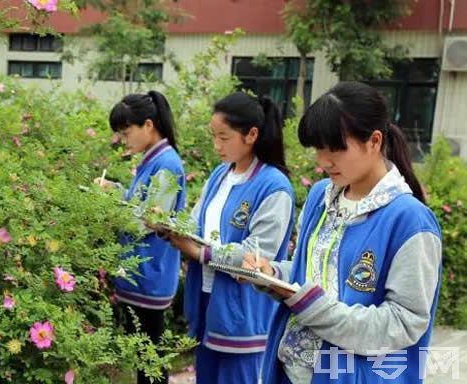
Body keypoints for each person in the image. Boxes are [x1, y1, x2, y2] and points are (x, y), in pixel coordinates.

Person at [243, 81, 442, 384]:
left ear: (374, 141)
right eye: (318, 149)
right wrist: (272, 274)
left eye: (335, 149)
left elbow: (404, 323)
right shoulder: (321, 197)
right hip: (291, 371)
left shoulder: (409, 221)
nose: (323, 162)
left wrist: (310, 305)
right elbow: (307, 274)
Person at [167, 92, 295, 384]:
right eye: (214, 136)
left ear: (251, 135)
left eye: (224, 137)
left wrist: (200, 253)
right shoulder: (219, 175)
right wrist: (169, 226)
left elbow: (256, 256)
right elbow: (195, 222)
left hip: (244, 312)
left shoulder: (273, 186)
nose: (216, 145)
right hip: (207, 302)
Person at [96, 91, 185, 384]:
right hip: (142, 275)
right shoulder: (152, 159)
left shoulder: (167, 164)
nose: (124, 140)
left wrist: (110, 209)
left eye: (126, 133)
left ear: (148, 125)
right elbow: (142, 205)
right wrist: (117, 191)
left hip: (150, 276)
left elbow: (148, 220)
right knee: (144, 358)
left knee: (150, 361)